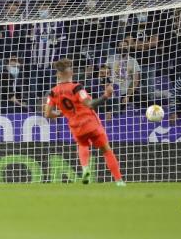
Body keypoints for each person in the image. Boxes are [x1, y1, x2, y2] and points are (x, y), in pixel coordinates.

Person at [43, 58, 125, 186]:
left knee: (82, 145)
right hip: (90, 122)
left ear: (58, 74)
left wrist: (59, 113)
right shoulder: (77, 87)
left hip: (76, 126)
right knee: (106, 149)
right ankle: (119, 181)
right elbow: (90, 104)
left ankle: (85, 169)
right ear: (71, 72)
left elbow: (47, 114)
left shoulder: (52, 92)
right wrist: (105, 96)